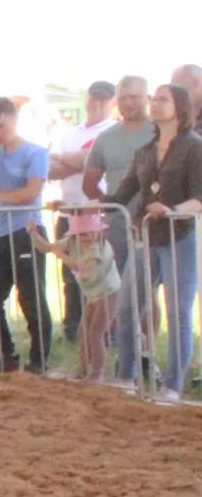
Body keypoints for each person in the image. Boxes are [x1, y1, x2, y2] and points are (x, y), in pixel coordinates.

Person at [105, 83, 202, 398]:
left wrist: (173, 210)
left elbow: (199, 197)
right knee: (128, 305)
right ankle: (127, 375)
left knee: (178, 312)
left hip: (180, 237)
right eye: (155, 99)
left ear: (180, 107)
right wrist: (89, 207)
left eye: (163, 99)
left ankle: (173, 384)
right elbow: (122, 194)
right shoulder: (144, 151)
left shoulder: (194, 147)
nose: (155, 104)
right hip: (146, 237)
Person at [82, 77, 156, 383]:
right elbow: (89, 180)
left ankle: (148, 359)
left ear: (147, 97)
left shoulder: (159, 132)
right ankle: (108, 366)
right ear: (117, 101)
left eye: (135, 97)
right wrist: (109, 206)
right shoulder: (106, 138)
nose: (130, 102)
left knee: (149, 294)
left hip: (154, 224)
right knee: (111, 293)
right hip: (117, 225)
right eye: (124, 97)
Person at [0, 97, 53, 373]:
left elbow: (31, 191)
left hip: (27, 230)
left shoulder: (35, 153)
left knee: (31, 296)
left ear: (14, 119)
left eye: (1, 125)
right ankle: (8, 354)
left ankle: (40, 359)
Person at [47, 80, 116, 342]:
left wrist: (71, 160)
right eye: (94, 97)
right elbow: (50, 169)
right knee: (69, 274)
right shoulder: (68, 133)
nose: (97, 103)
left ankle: (102, 331)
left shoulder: (112, 130)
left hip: (97, 216)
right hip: (68, 214)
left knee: (100, 275)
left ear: (112, 102)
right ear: (86, 99)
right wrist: (77, 161)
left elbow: (91, 163)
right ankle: (73, 328)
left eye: (103, 99)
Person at [35, 209, 121, 381]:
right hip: (93, 294)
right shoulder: (71, 242)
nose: (87, 237)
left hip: (108, 293)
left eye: (91, 232)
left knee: (95, 334)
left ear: (99, 232)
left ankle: (96, 374)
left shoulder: (100, 247)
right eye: (82, 234)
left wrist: (59, 255)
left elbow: (81, 266)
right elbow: (45, 248)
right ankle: (83, 371)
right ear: (75, 235)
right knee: (84, 333)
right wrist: (32, 233)